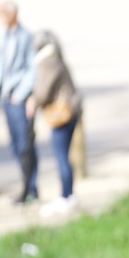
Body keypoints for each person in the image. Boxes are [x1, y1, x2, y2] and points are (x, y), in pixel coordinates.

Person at [30, 30, 83, 217]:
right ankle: (69, 195)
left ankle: (66, 196)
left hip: (62, 115)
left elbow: (43, 91)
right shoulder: (57, 57)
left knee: (62, 158)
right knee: (65, 156)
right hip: (71, 112)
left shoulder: (48, 61)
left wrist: (33, 101)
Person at [0, 1, 37, 205]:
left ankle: (30, 188)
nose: (0, 18)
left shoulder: (24, 37)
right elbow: (1, 67)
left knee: (25, 145)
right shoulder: (3, 36)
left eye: (3, 14)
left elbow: (31, 68)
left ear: (12, 15)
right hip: (7, 96)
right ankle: (26, 184)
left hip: (20, 97)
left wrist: (22, 94)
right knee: (15, 145)